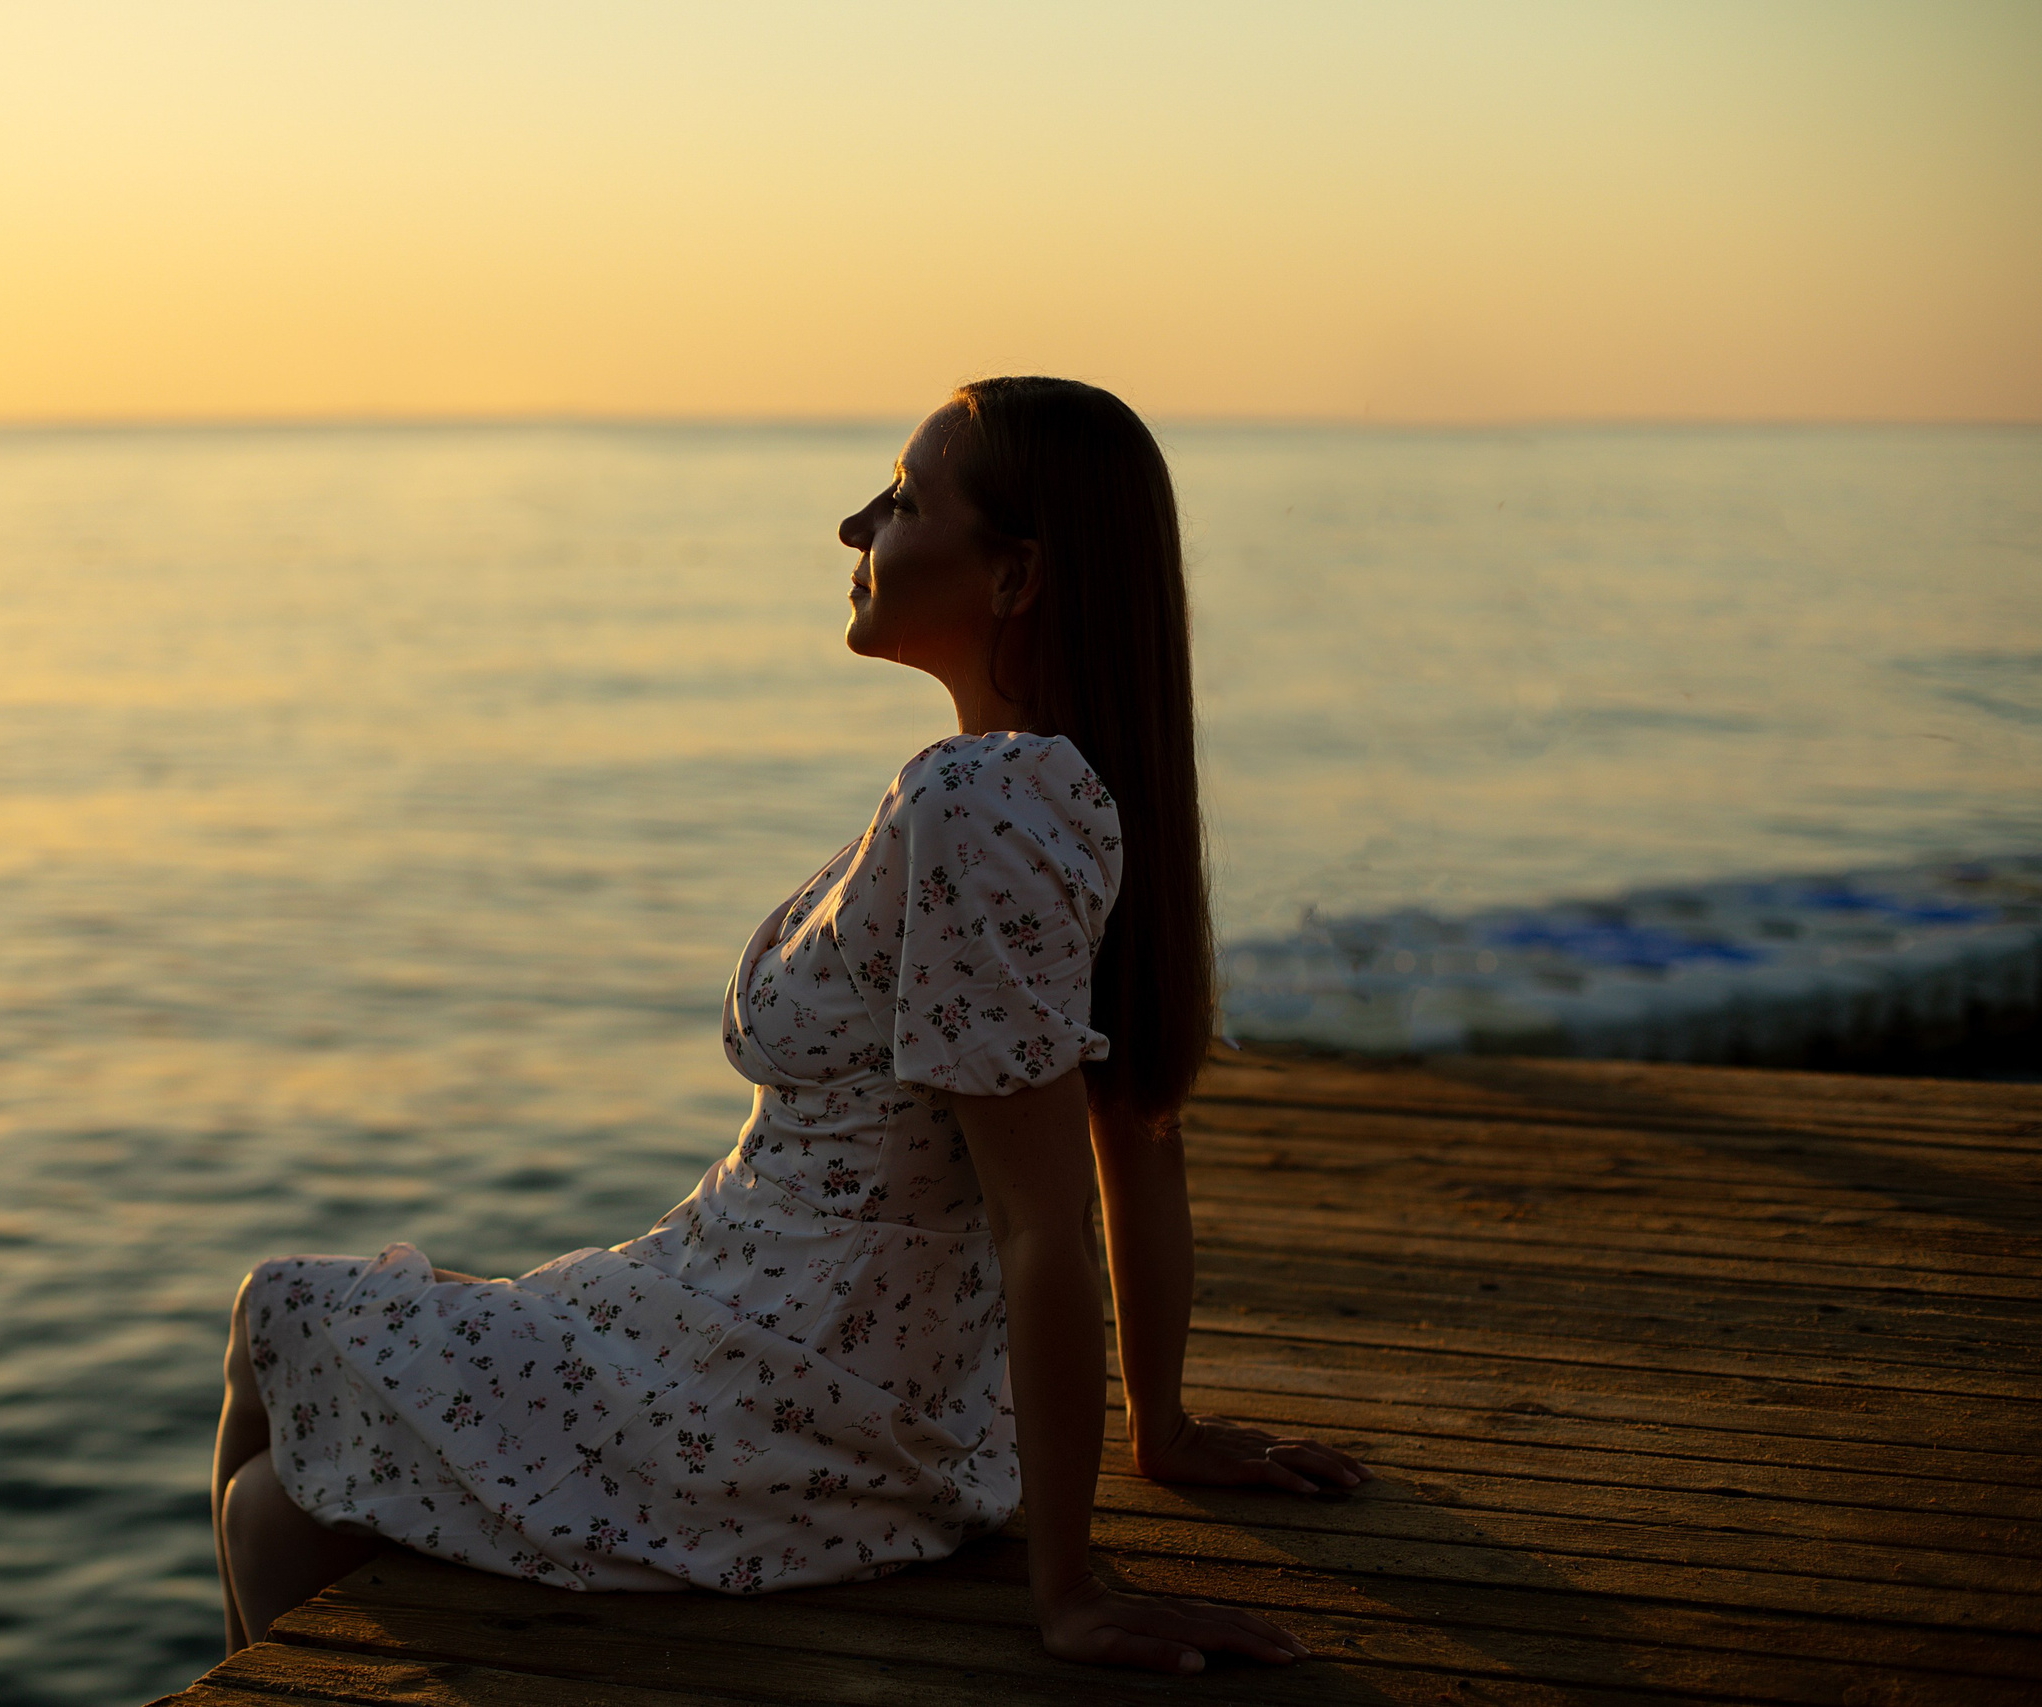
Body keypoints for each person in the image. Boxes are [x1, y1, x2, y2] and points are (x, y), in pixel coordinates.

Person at [211, 377, 1368, 1674]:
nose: (853, 527)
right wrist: (1159, 1426)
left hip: (792, 1388)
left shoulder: (981, 802)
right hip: (772, 1330)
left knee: (284, 1340)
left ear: (1014, 579)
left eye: (906, 499)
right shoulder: (1056, 786)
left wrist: (1072, 1587)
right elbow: (1138, 1132)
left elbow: (1046, 1216)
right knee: (295, 1427)